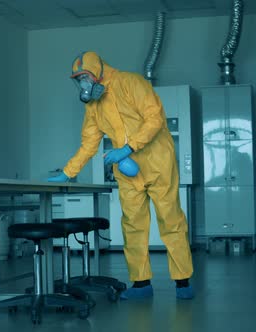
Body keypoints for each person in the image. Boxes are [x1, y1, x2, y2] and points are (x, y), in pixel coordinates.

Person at [47, 51, 194, 300]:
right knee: (132, 225)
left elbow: (154, 117)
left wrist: (128, 147)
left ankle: (183, 282)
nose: (83, 83)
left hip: (157, 161)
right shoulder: (94, 105)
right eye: (78, 79)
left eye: (84, 76)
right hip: (127, 169)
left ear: (96, 71)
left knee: (171, 221)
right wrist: (68, 172)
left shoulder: (130, 82)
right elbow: (89, 142)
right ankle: (141, 284)